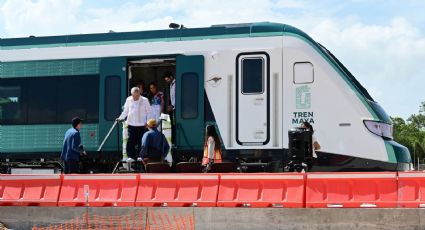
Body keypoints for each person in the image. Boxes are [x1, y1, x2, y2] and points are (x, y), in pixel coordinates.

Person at [116, 87, 152, 161]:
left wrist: (148, 122)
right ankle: (131, 157)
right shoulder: (128, 99)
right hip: (131, 124)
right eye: (134, 96)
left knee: (141, 141)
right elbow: (125, 111)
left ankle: (140, 156)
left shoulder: (145, 100)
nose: (135, 97)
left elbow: (149, 112)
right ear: (131, 94)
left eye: (137, 96)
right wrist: (120, 118)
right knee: (130, 141)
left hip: (142, 125)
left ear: (139, 94)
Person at [163, 71, 176, 144]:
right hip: (172, 108)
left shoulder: (176, 84)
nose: (166, 81)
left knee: (174, 124)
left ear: (171, 77)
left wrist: (173, 105)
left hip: (175, 108)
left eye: (167, 79)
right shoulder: (170, 85)